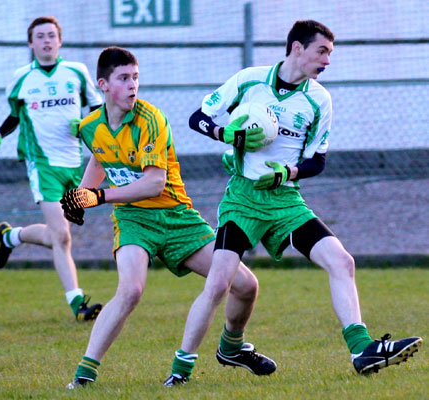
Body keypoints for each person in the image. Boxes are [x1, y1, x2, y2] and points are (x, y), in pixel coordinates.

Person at [168, 19, 423, 378]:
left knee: (342, 261)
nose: (327, 61)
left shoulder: (319, 99)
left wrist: (287, 173)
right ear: (297, 48)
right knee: (220, 283)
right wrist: (227, 133)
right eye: (322, 51)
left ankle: (362, 349)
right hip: (243, 200)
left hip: (286, 201)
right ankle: (183, 369)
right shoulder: (249, 80)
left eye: (330, 54)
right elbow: (198, 118)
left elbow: (317, 160)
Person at [61, 46, 276, 389]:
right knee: (130, 291)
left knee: (246, 286)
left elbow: (153, 183)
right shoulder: (90, 127)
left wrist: (97, 196)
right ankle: (84, 375)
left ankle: (233, 348)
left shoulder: (151, 119)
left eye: (136, 78)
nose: (133, 85)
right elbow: (100, 158)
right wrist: (79, 199)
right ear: (103, 84)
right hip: (134, 219)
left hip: (177, 218)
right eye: (123, 79)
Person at [0, 16, 103, 321]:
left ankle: (11, 237)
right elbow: (14, 116)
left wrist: (87, 126)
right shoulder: (21, 78)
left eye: (51, 35)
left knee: (58, 235)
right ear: (31, 43)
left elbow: (97, 111)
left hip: (75, 165)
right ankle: (78, 304)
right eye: (40, 36)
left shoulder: (76, 73)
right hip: (41, 164)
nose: (46, 41)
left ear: (60, 41)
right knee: (62, 236)